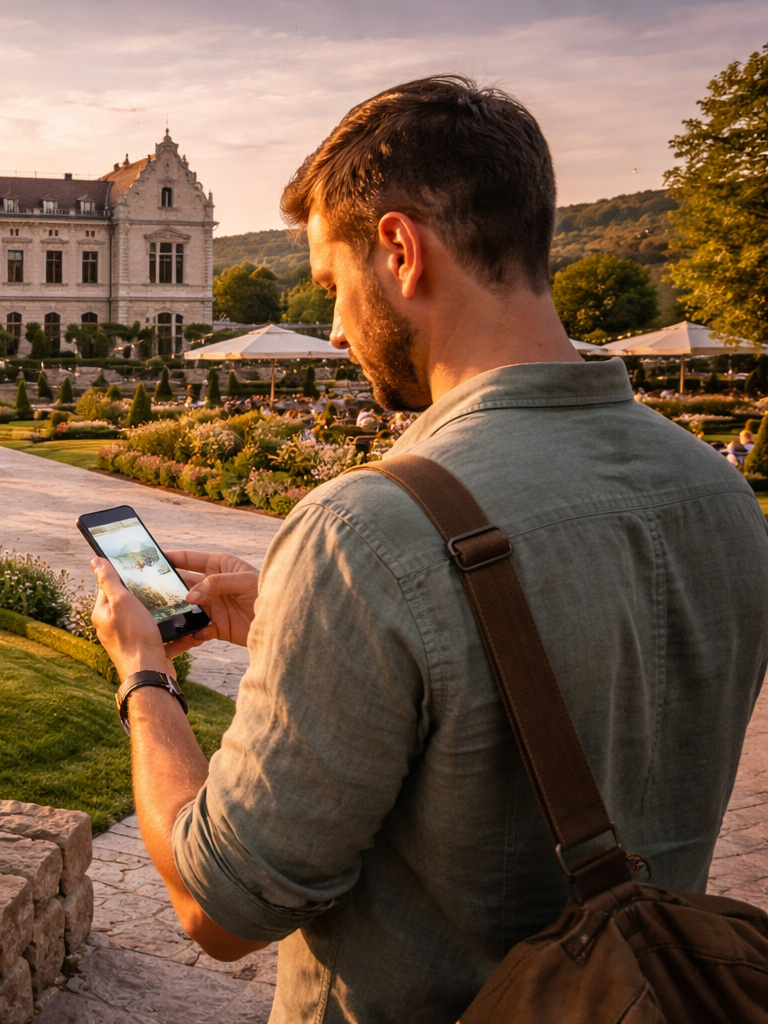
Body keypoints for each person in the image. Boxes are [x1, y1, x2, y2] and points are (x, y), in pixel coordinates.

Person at [86, 76, 768, 1023]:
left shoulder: (367, 529)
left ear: (400, 251)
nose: (333, 330)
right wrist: (302, 622)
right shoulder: (719, 492)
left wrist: (144, 675)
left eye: (332, 286)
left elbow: (222, 904)